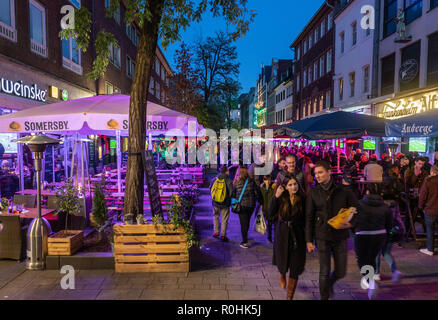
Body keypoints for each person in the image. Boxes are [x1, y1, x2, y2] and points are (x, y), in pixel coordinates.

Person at [305, 161, 359, 300]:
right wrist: (308, 240)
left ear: (329, 172)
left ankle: (329, 284)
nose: (317, 176)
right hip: (322, 235)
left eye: (320, 172)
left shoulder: (343, 190)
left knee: (341, 271)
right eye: (315, 173)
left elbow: (357, 210)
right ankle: (324, 297)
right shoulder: (314, 193)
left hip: (340, 235)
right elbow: (309, 217)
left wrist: (350, 224)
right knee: (324, 270)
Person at [267, 176, 306, 300]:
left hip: (297, 235)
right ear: (285, 186)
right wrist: (276, 197)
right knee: (282, 261)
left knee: (295, 267)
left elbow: (307, 217)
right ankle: (282, 274)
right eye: (290, 185)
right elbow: (269, 213)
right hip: (283, 233)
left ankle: (289, 297)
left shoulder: (303, 198)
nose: (293, 187)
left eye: (295, 184)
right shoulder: (281, 198)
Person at [351, 183, 392, 299]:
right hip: (379, 236)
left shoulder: (359, 204)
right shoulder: (385, 206)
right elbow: (389, 224)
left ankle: (370, 282)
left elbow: (352, 221)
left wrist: (354, 231)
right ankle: (370, 280)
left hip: (362, 235)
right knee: (371, 258)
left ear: (367, 192)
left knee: (362, 260)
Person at [232, 166, 262, 249]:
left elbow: (232, 194)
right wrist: (260, 201)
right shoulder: (251, 181)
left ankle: (244, 241)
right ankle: (245, 235)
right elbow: (257, 192)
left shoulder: (236, 183)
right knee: (247, 221)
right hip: (251, 206)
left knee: (243, 223)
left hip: (241, 206)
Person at [210, 166, 233, 242]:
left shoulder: (214, 179)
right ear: (226, 171)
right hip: (225, 203)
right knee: (224, 218)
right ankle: (223, 235)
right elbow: (231, 192)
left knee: (216, 216)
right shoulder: (228, 180)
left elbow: (211, 188)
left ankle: (216, 231)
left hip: (215, 202)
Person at [418, 165, 438, 256]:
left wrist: (420, 207)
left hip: (430, 209)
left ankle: (430, 249)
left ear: (432, 172)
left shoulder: (428, 182)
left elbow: (423, 196)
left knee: (430, 230)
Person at [261, 175, 276, 243]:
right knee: (269, 224)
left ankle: (276, 237)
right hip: (266, 208)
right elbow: (263, 196)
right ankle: (269, 237)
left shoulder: (273, 187)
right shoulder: (262, 188)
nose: (268, 181)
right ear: (264, 180)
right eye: (266, 180)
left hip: (273, 208)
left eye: (269, 180)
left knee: (275, 224)